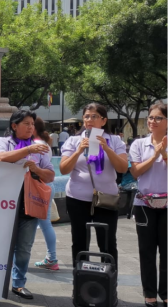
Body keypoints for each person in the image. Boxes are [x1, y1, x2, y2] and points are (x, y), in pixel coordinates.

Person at [0, 110, 54, 300]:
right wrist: (27, 151)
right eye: (26, 123)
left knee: (24, 247)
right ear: (14, 126)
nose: (30, 127)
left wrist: (38, 169)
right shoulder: (3, 142)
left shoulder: (39, 148)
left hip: (30, 201)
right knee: (0, 245)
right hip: (4, 202)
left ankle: (18, 284)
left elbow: (50, 175)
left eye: (32, 124)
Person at [59, 103, 127, 268]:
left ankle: (109, 285)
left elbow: (123, 168)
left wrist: (107, 148)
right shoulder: (74, 140)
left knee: (108, 243)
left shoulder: (115, 141)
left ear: (103, 121)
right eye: (86, 116)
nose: (89, 120)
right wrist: (78, 151)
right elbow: (63, 169)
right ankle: (81, 283)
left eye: (94, 116)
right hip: (77, 198)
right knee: (79, 241)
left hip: (106, 199)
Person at [128, 102, 167, 307]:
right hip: (144, 205)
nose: (153, 121)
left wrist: (165, 154)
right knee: (146, 250)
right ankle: (149, 294)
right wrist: (155, 155)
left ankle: (166, 293)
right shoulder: (138, 144)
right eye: (150, 117)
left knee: (167, 251)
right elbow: (135, 172)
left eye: (158, 118)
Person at [32, 118, 59, 270]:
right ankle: (51, 257)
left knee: (44, 223)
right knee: (44, 223)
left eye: (30, 125)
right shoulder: (44, 143)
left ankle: (52, 258)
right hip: (46, 185)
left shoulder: (36, 145)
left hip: (40, 186)